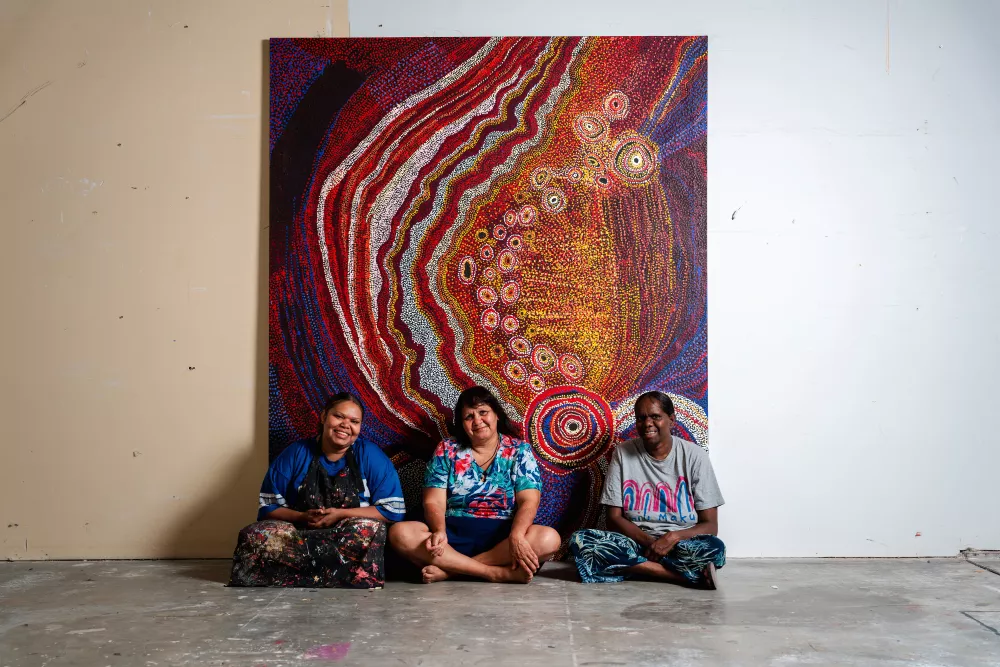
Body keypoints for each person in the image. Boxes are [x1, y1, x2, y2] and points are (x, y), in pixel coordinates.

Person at [229, 392, 405, 588]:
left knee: (370, 530)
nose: (346, 425)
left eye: (354, 421)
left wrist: (340, 514)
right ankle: (332, 576)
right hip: (301, 534)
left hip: (345, 536)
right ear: (323, 417)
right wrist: (302, 517)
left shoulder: (370, 455)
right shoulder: (296, 452)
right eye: (338, 416)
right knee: (254, 534)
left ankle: (296, 575)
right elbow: (268, 508)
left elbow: (392, 510)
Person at [389, 386, 560, 583]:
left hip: (503, 538)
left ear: (496, 414)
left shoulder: (519, 450)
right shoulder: (447, 449)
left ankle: (452, 570)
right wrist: (439, 531)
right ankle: (494, 573)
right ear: (462, 424)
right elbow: (433, 502)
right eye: (469, 417)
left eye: (483, 412)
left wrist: (517, 536)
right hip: (453, 536)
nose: (477, 421)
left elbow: (529, 501)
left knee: (549, 538)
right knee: (400, 533)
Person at [569, 391, 725, 588]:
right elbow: (613, 519)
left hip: (680, 545)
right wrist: (652, 544)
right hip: (637, 542)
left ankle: (632, 568)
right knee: (581, 541)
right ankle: (680, 576)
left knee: (715, 549)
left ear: (671, 420)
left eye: (655, 416)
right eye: (641, 418)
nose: (647, 423)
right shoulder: (623, 454)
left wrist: (673, 537)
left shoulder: (695, 456)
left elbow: (710, 525)